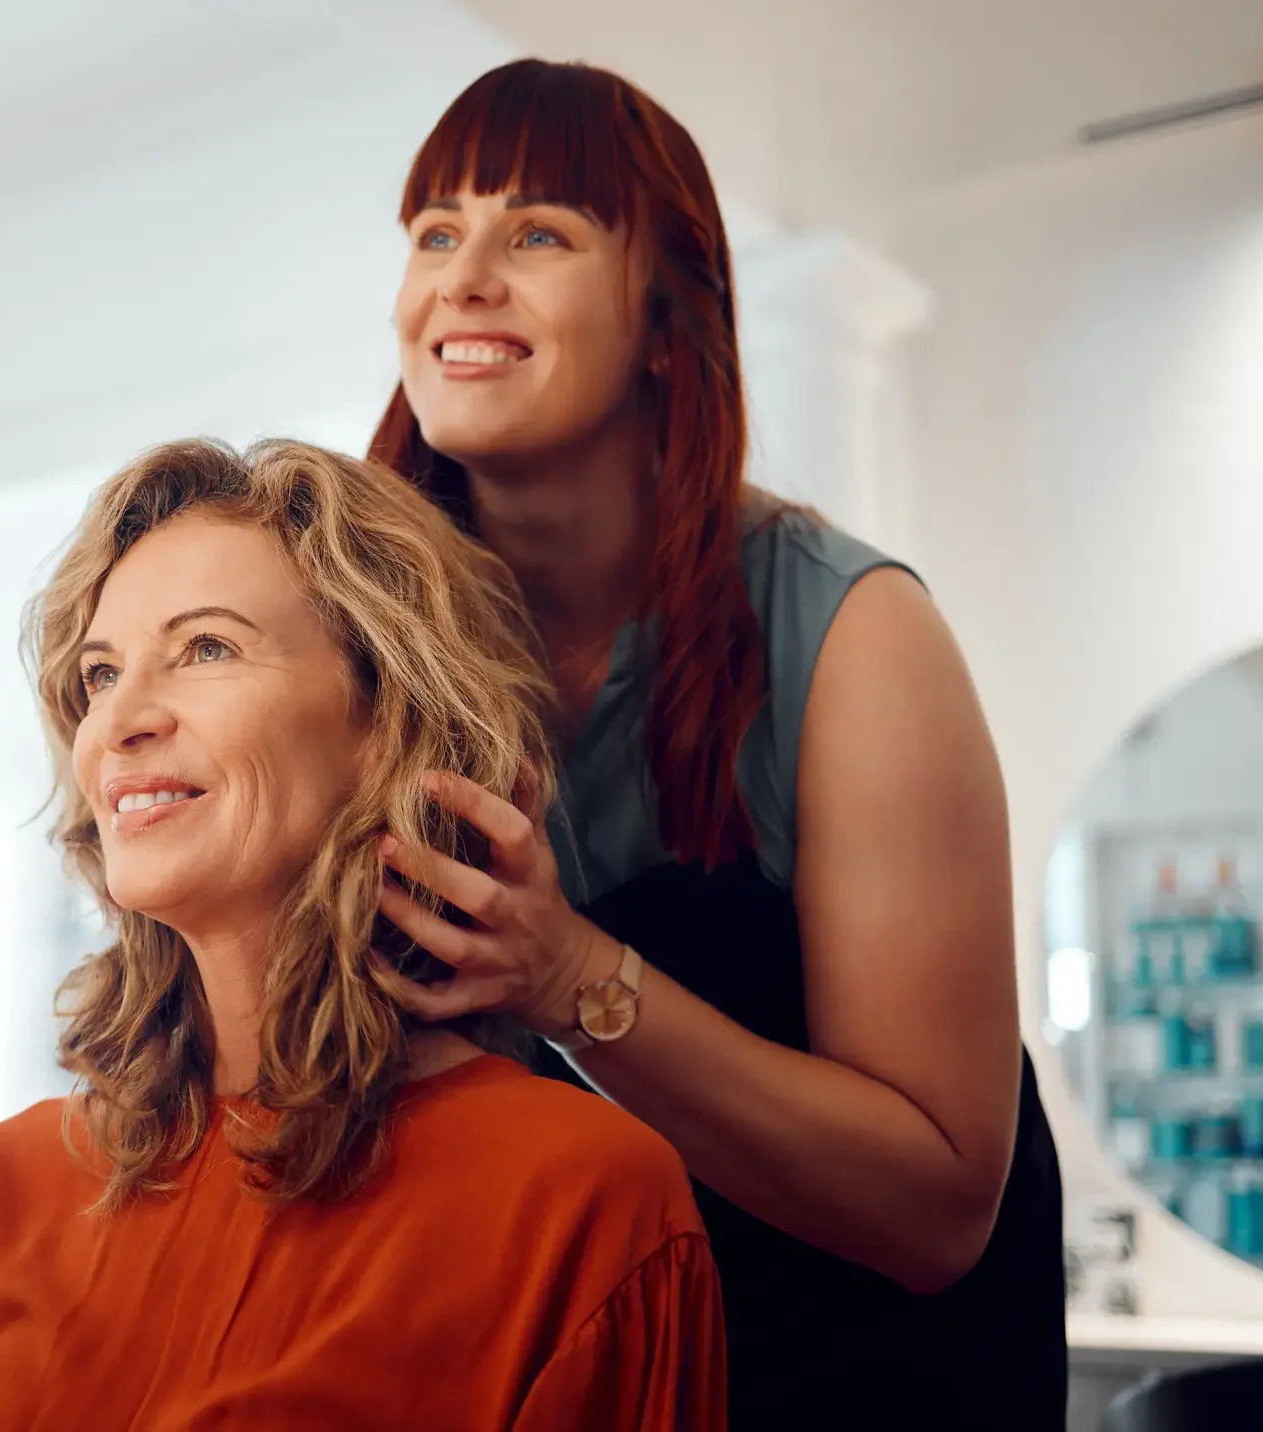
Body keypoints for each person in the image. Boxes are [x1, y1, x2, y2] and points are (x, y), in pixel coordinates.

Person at [364, 59, 1066, 1430]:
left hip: (877, 1373)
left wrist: (570, 975)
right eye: (436, 232)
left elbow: (936, 1206)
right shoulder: (362, 646)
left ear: (669, 325)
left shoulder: (853, 634)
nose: (464, 276)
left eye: (541, 233)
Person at [0, 438, 728, 1431]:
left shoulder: (580, 1200)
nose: (118, 720)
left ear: (386, 719)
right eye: (98, 673)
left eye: (205, 647)